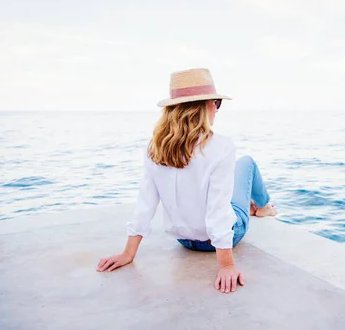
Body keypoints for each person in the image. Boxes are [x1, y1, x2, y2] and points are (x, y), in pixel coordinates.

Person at [96, 68, 277, 294]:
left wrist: (128, 253)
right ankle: (263, 207)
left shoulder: (155, 148)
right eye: (216, 103)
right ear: (204, 106)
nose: (217, 109)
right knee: (246, 163)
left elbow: (146, 203)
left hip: (184, 240)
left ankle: (259, 207)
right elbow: (218, 212)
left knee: (213, 188)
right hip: (217, 240)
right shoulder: (222, 146)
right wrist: (227, 265)